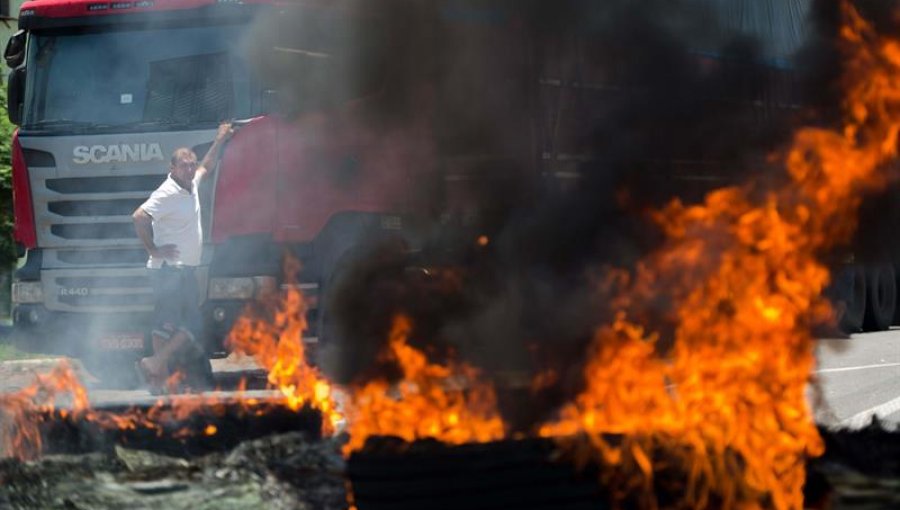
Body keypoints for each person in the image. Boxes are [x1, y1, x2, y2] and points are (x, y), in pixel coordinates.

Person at [133, 122, 233, 392]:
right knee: (192, 325)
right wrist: (153, 249)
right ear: (172, 169)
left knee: (164, 325)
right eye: (184, 165)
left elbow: (207, 166)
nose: (190, 169)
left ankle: (158, 380)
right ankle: (156, 363)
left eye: (191, 164)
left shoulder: (191, 184)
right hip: (169, 270)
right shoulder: (167, 193)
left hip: (179, 270)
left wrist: (219, 139)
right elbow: (139, 217)